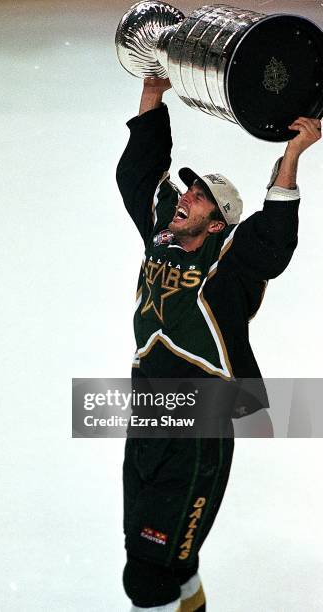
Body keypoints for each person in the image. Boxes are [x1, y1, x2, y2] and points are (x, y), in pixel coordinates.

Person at [116, 77, 321, 612]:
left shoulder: (228, 265)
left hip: (199, 429)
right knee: (168, 563)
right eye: (189, 189)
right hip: (150, 414)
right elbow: (138, 175)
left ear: (218, 223)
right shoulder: (162, 233)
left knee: (147, 577)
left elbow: (274, 238)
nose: (187, 196)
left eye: (201, 196)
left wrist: (293, 154)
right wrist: (153, 97)